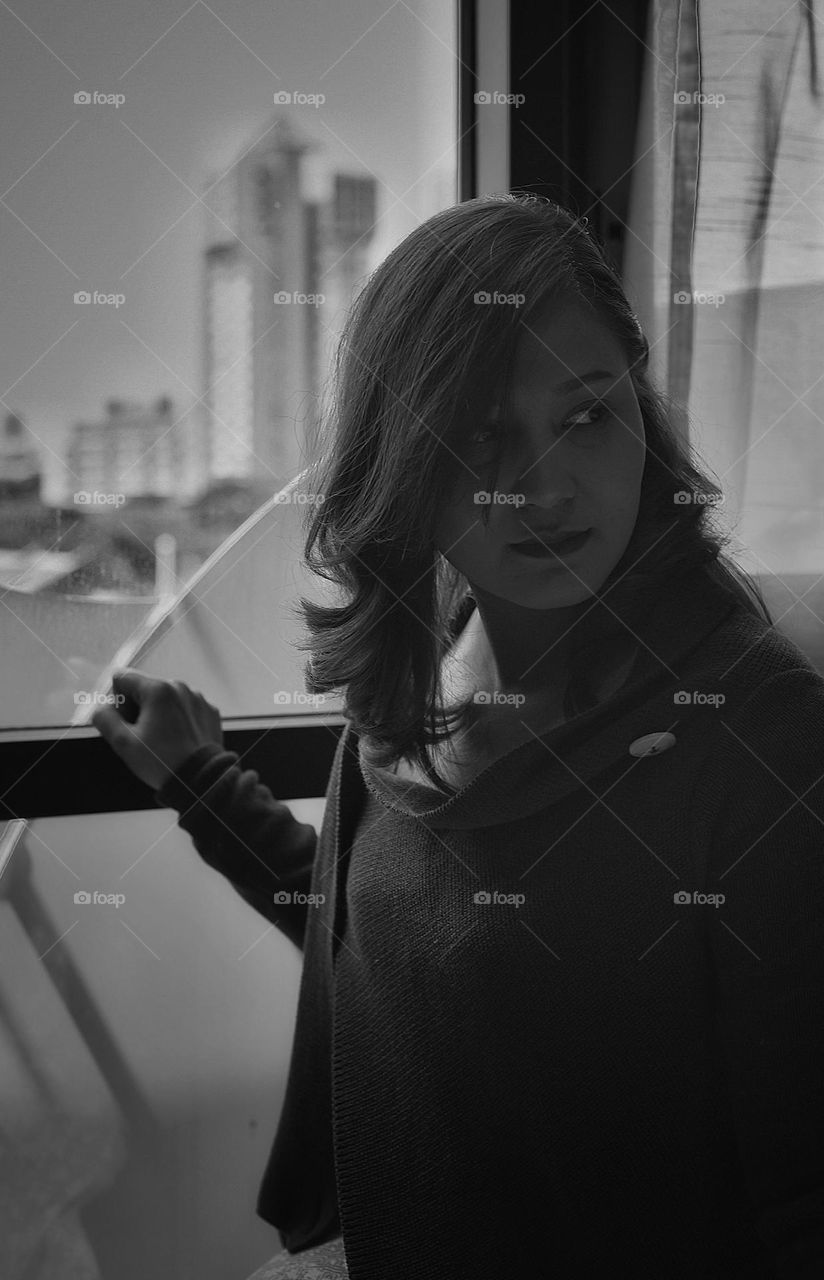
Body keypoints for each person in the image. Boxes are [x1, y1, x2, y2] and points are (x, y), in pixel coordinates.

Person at [92, 194, 824, 1279]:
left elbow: (802, 1191)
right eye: (482, 437)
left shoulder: (754, 737)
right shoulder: (422, 660)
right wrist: (201, 781)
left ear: (640, 409)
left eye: (585, 414)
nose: (544, 486)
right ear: (405, 460)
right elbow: (393, 950)